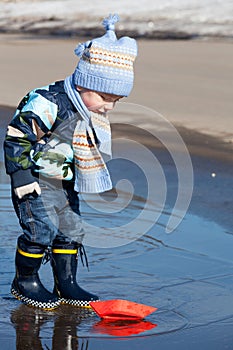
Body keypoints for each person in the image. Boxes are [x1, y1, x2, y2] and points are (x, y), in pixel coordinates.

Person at [4, 14, 137, 310]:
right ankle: (25, 282)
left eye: (116, 101)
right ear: (84, 83)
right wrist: (20, 178)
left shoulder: (91, 111)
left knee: (71, 229)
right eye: (104, 97)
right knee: (40, 230)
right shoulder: (49, 103)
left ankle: (66, 283)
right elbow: (16, 137)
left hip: (64, 182)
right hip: (35, 179)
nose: (108, 106)